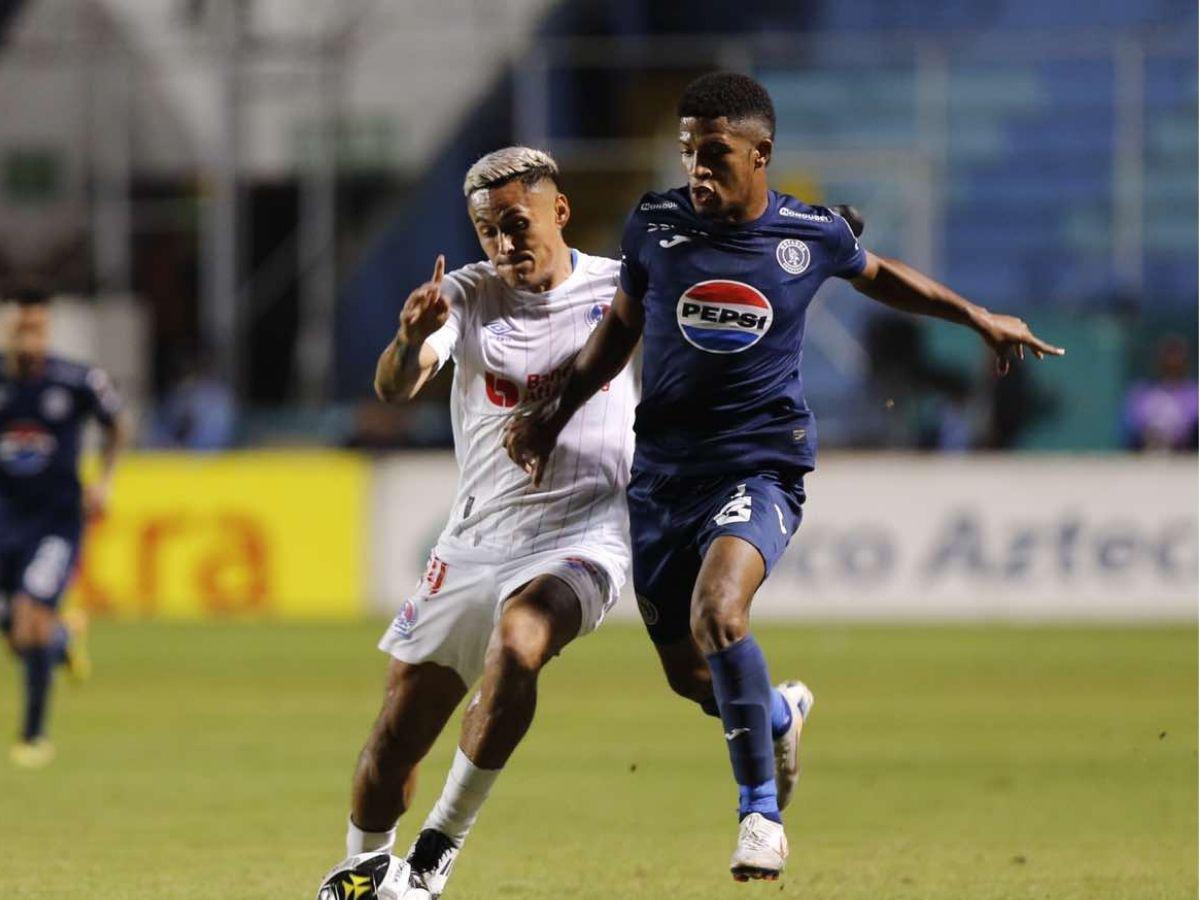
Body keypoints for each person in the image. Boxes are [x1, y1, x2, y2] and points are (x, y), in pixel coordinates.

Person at [505, 71, 1065, 882]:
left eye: (715, 153)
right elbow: (618, 334)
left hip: (760, 465)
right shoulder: (654, 226)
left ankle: (760, 816)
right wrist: (552, 417)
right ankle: (777, 710)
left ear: (761, 153)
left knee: (720, 614)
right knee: (687, 672)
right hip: (663, 475)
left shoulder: (808, 234)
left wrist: (975, 315)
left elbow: (884, 277)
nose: (696, 167)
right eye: (688, 151)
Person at [322, 147, 637, 900]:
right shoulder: (464, 296)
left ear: (559, 212)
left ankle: (435, 854)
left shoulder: (624, 287)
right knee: (396, 736)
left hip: (585, 534)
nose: (503, 245)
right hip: (476, 541)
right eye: (487, 231)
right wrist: (406, 338)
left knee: (520, 641)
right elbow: (396, 386)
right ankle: (364, 870)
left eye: (516, 224)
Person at [0, 285, 126, 768]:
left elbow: (118, 424)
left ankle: (33, 736)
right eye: (21, 327)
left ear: (47, 329)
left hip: (55, 522)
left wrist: (106, 480)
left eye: (37, 327)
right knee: (21, 633)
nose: (29, 337)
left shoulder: (76, 380)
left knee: (31, 611)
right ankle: (62, 641)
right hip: (6, 520)